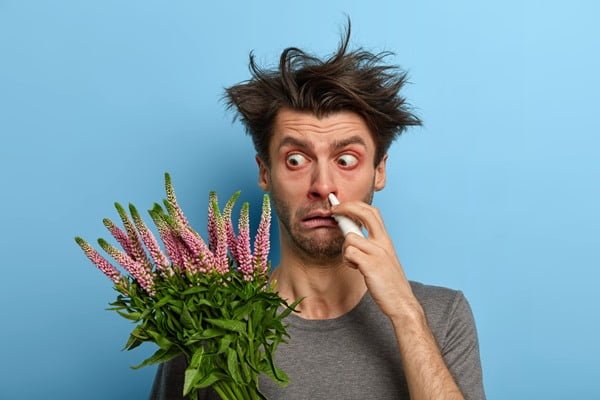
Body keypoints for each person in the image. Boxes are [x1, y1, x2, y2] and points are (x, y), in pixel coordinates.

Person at [151, 24, 486, 400]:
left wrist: (406, 315)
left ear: (379, 171)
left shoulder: (441, 315)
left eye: (346, 160)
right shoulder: (204, 323)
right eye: (295, 159)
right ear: (265, 173)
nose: (323, 185)